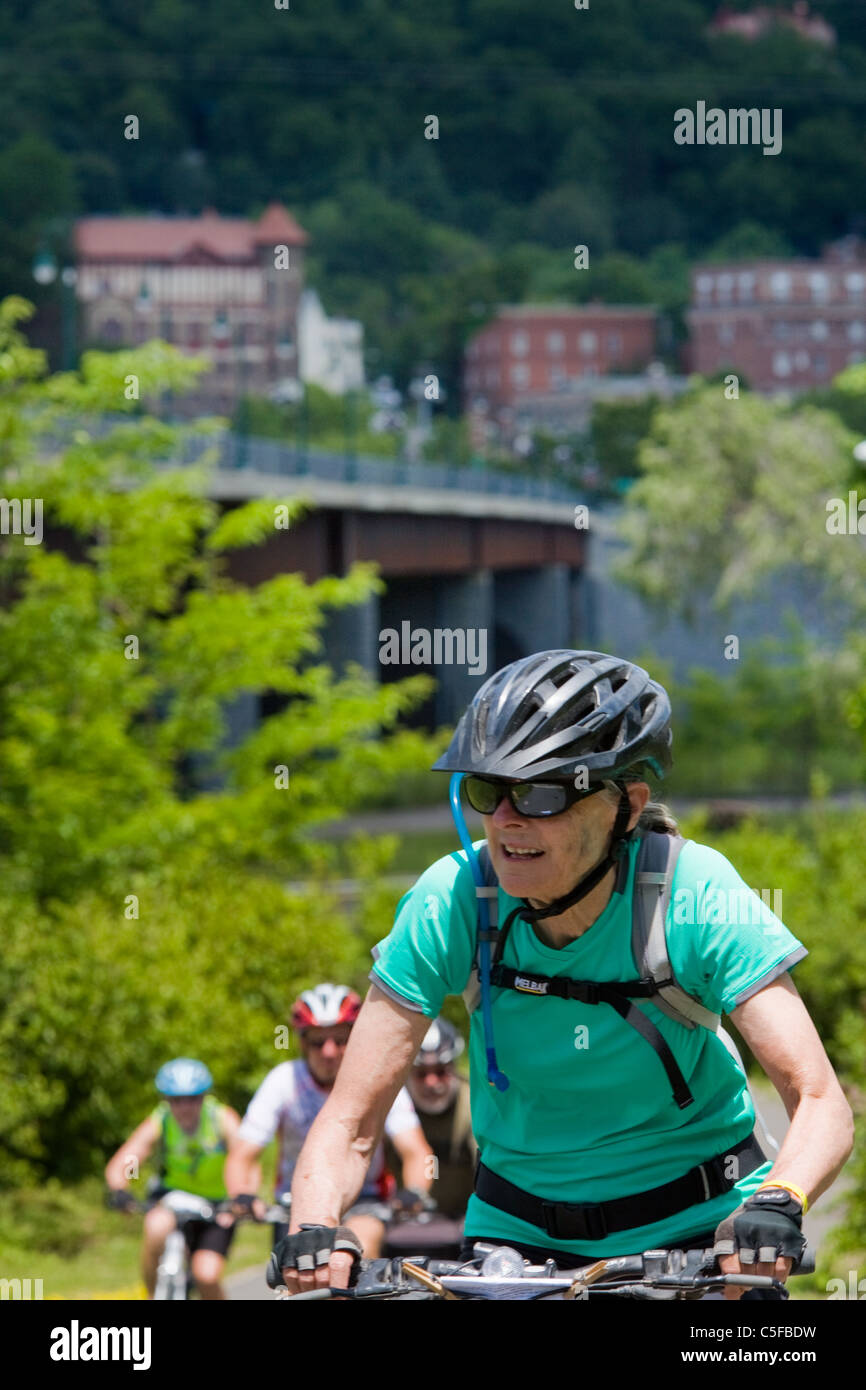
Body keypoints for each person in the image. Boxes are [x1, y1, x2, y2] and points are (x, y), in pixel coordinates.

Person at [274, 650, 854, 1297]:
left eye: (540, 793)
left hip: (704, 1235)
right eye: (487, 791)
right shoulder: (453, 900)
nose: (504, 820)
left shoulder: (689, 893)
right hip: (516, 1243)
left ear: (626, 807)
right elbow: (350, 1122)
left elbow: (821, 1102)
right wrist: (313, 1230)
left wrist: (777, 1205)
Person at [224, 983, 433, 1258]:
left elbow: (417, 1152)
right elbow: (242, 1154)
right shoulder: (283, 1081)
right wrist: (242, 1194)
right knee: (298, 1276)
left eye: (341, 1040)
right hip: (296, 1202)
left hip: (364, 1200)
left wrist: (415, 1191)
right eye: (317, 1042)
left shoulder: (380, 1078)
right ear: (302, 1043)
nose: (329, 1052)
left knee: (355, 1254)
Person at [105, 1058, 241, 1300]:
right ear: (167, 1100)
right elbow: (129, 1158)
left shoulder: (221, 1119)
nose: (185, 1107)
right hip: (173, 1200)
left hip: (218, 1206)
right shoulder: (162, 1119)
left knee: (206, 1276)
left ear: (204, 1097)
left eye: (193, 1099)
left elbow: (245, 1159)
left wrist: (238, 1199)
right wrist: (120, 1188)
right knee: (155, 1226)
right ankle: (150, 1293)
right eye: (176, 1100)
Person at [390, 1017, 476, 1221]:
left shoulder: (473, 1103)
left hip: (465, 1218)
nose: (431, 1083)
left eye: (440, 1072)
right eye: (421, 1074)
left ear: (454, 1069)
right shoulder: (395, 1104)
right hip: (407, 1218)